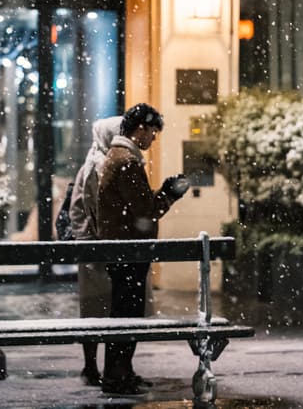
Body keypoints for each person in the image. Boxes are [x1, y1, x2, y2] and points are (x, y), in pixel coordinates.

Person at [96, 103, 190, 395]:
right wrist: (168, 194)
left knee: (124, 313)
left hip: (124, 249)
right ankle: (117, 375)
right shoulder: (126, 160)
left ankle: (122, 372)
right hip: (128, 251)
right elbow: (145, 210)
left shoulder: (120, 156)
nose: (153, 139)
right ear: (140, 129)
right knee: (126, 314)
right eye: (153, 132)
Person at [67, 116, 122, 386]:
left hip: (93, 248)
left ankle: (100, 367)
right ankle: (94, 366)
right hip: (96, 251)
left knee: (97, 310)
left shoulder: (96, 160)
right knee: (99, 310)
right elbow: (91, 208)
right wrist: (99, 239)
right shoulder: (98, 165)